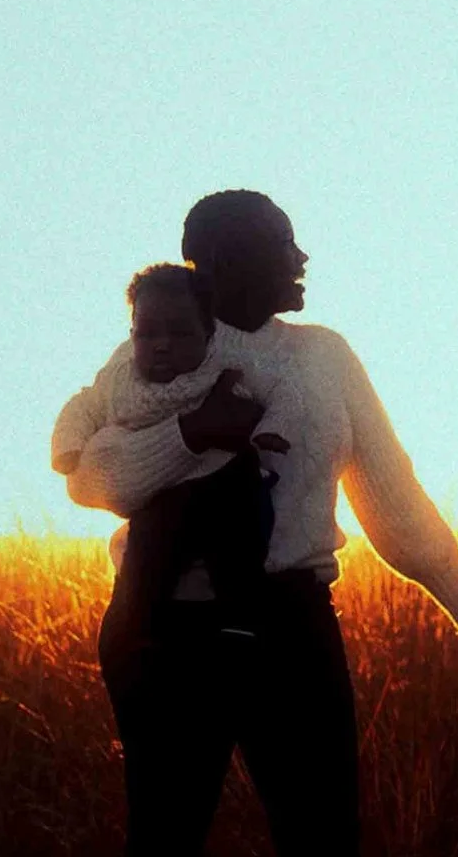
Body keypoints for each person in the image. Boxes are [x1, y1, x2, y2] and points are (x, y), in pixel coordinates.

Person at [60, 191, 458, 857]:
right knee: (164, 839)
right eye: (285, 244)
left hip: (290, 624)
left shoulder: (324, 358)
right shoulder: (159, 349)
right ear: (228, 264)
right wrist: (194, 432)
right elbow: (91, 479)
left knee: (323, 841)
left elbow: (390, 499)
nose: (304, 259)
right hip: (164, 633)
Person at [51, 262, 293, 663]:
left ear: (207, 334)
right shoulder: (117, 381)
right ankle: (143, 628)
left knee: (241, 537)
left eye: (180, 333)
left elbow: (275, 394)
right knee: (147, 550)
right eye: (148, 333)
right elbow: (82, 408)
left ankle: (241, 621)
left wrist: (271, 428)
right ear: (132, 336)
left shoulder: (221, 370)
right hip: (162, 499)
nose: (162, 345)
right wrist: (68, 448)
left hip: (224, 484)